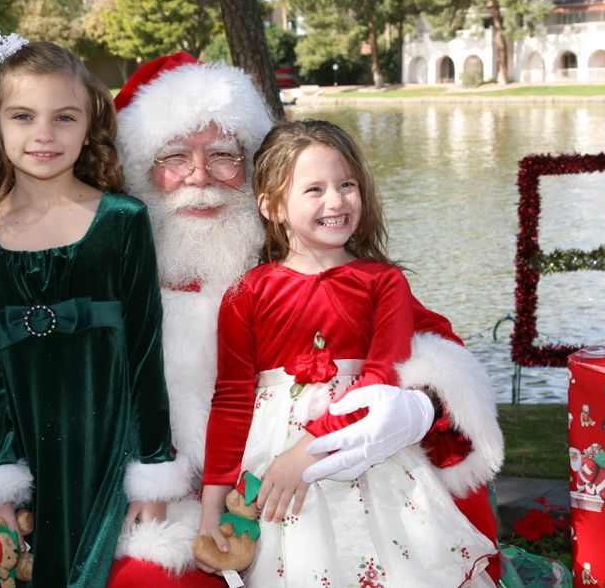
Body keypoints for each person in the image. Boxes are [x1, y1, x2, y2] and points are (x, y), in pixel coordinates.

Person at [0, 52, 504, 586]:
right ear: (139, 169)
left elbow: (423, 339)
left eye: (223, 156)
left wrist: (416, 401)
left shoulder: (295, 258)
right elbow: (15, 341)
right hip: (149, 500)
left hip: (288, 488)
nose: (200, 178)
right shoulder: (112, 250)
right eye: (174, 157)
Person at [0, 32, 175, 587]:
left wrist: (151, 470)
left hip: (102, 445)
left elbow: (146, 352)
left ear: (91, 126)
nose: (44, 135)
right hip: (20, 444)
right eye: (24, 116)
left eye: (65, 118)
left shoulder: (122, 221)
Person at [197, 119, 495, 585]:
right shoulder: (245, 293)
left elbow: (382, 378)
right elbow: (233, 396)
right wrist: (212, 501)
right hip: (274, 466)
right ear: (272, 206)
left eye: (346, 185)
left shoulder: (383, 283)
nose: (335, 201)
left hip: (364, 453)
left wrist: (306, 451)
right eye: (314, 189)